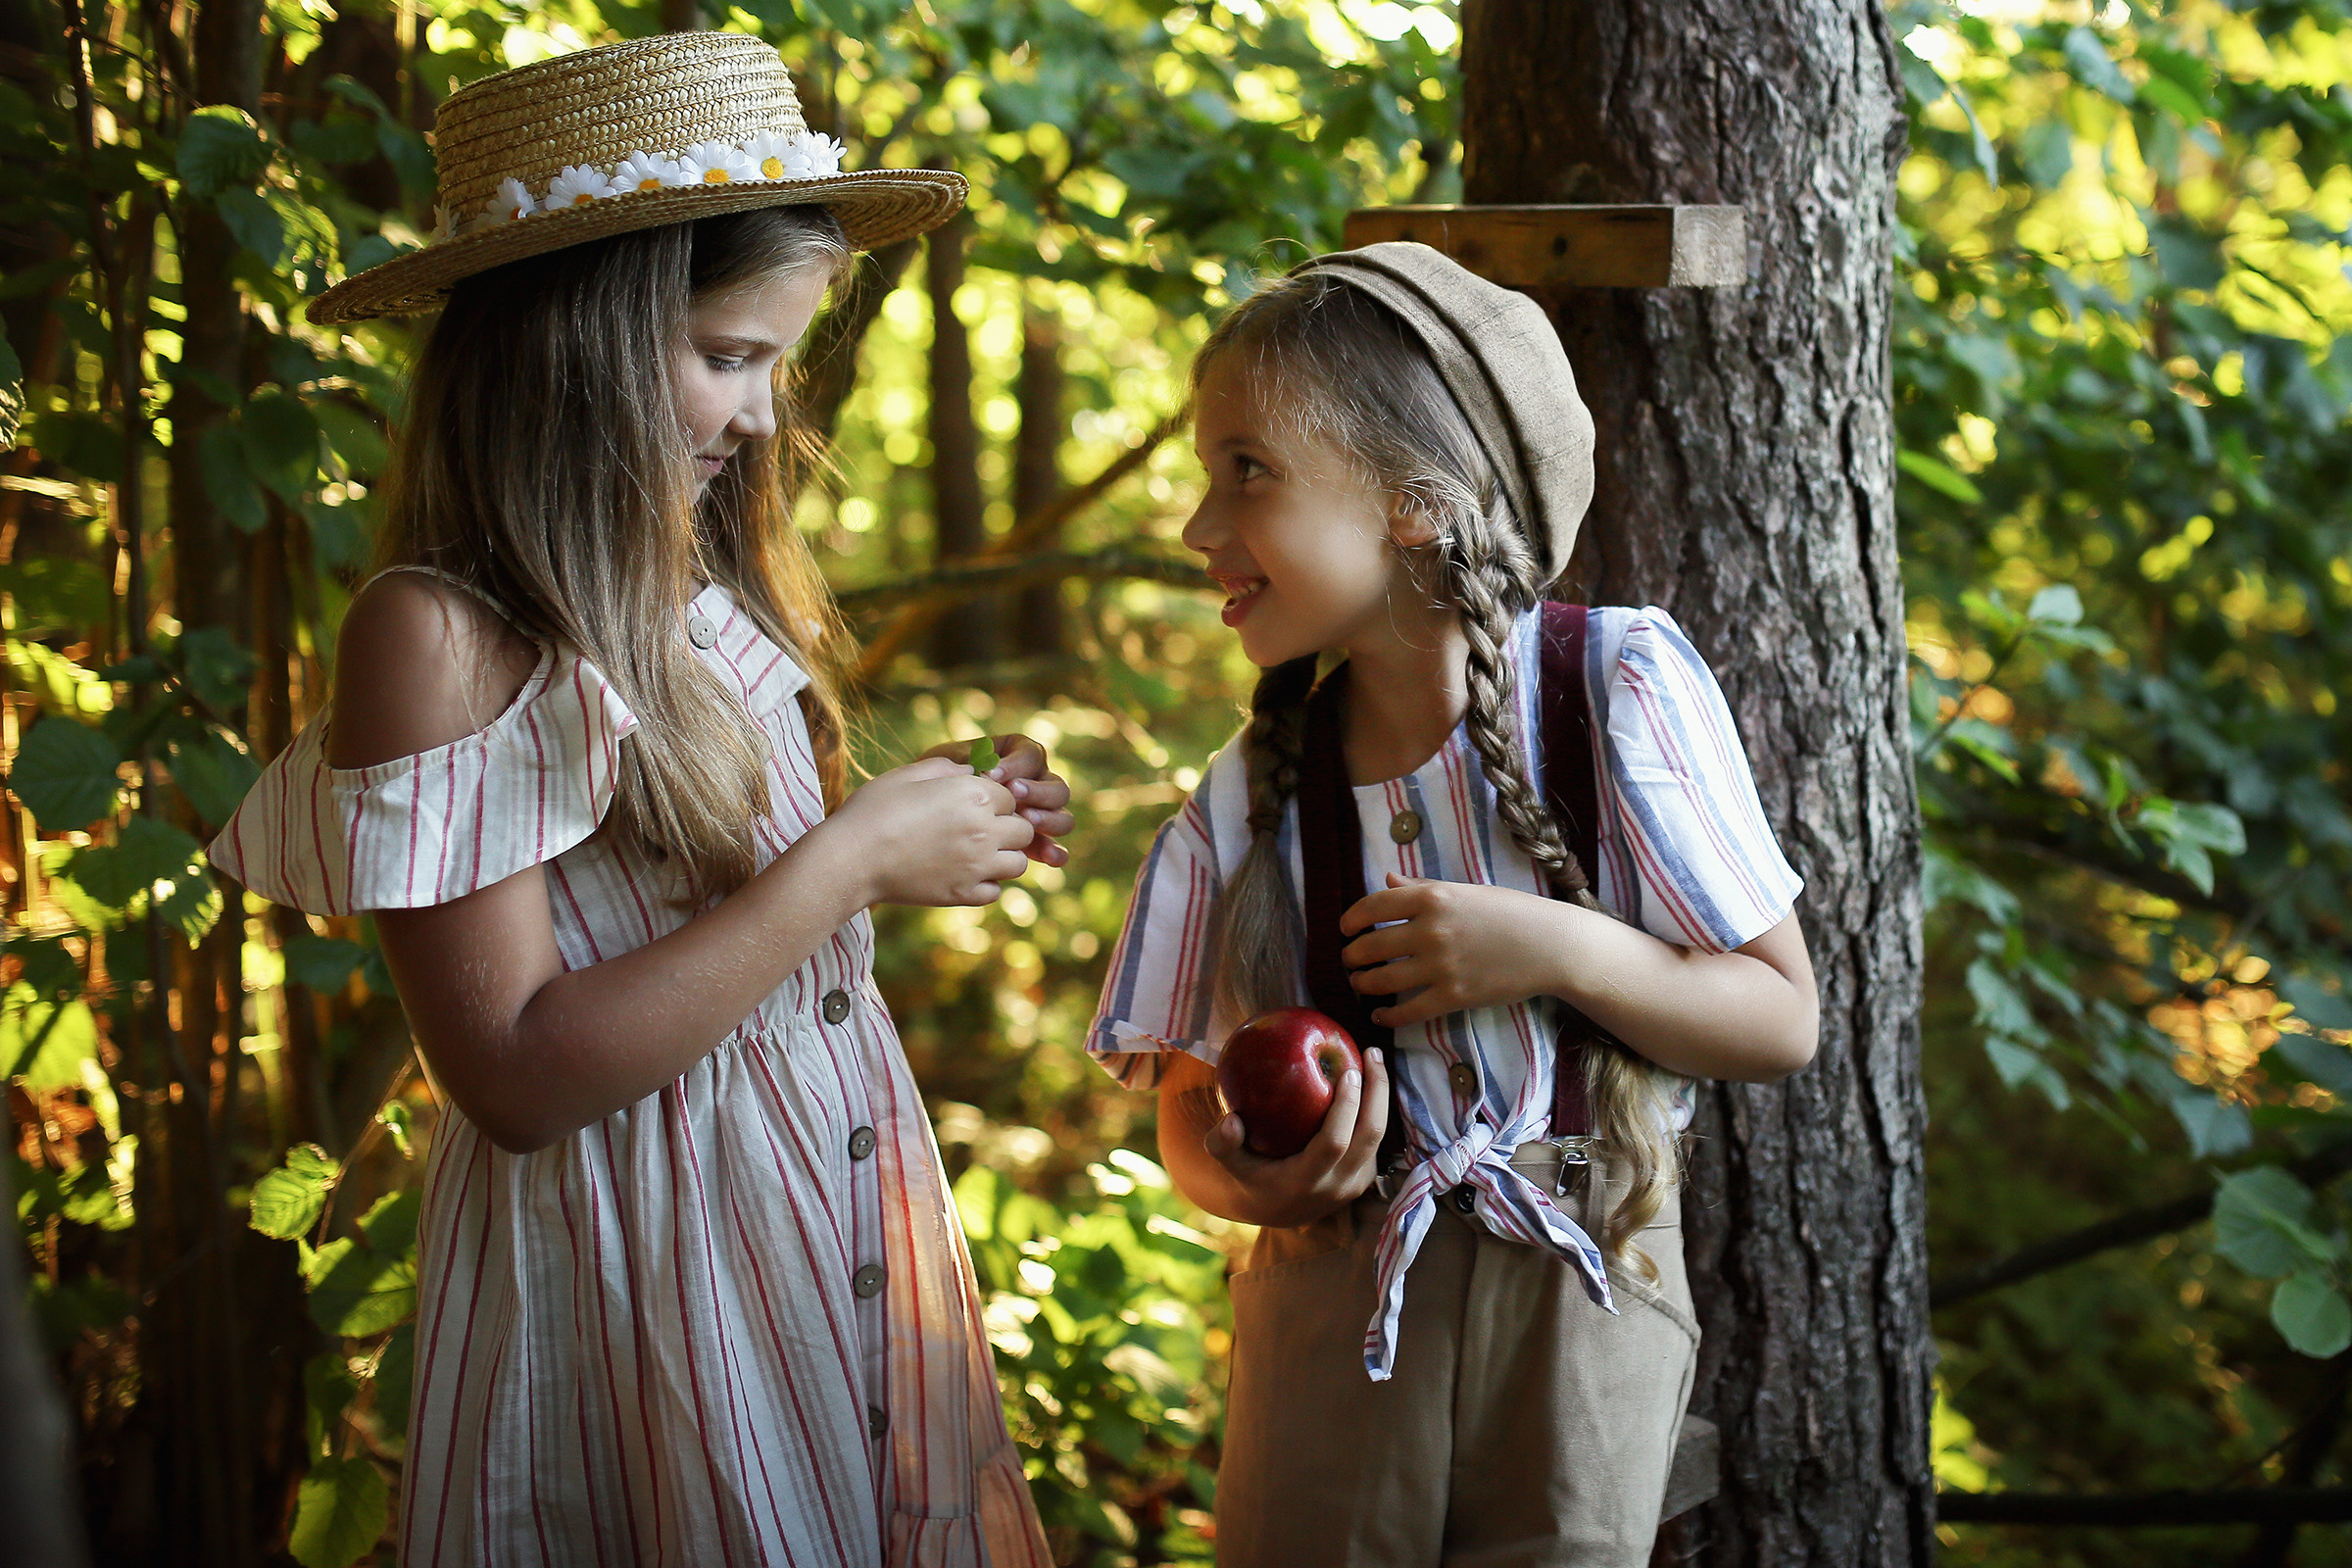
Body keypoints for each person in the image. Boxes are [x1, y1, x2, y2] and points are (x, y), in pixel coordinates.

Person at [212, 32, 1059, 1568]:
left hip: (808, 1218)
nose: (762, 418)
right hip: (644, 1280)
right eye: (728, 358)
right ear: (572, 345)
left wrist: (925, 821)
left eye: (776, 365)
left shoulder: (700, 588)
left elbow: (728, 896)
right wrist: (847, 865)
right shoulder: (442, 639)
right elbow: (515, 1074)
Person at [1086, 244, 1821, 1567]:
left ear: (1417, 505)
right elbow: (1185, 1110)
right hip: (1335, 1296)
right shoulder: (1250, 796)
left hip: (1583, 1269)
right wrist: (1251, 1180)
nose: (1200, 525)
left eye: (1246, 471)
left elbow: (1779, 1020)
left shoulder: (1611, 690)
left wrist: (1560, 947)